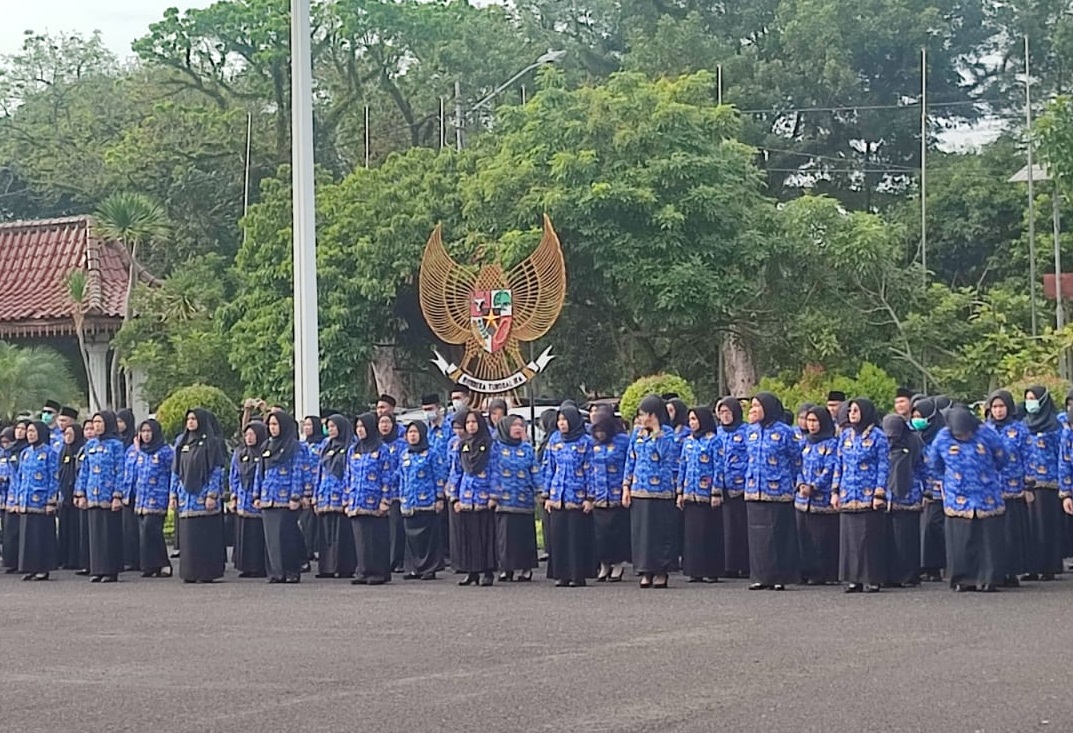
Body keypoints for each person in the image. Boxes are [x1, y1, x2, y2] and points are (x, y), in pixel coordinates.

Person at [928, 406, 1007, 592]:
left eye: (966, 434)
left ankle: (988, 578)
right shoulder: (942, 438)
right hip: (958, 497)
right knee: (961, 541)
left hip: (986, 495)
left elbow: (1001, 459)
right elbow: (935, 464)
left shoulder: (987, 434)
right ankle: (962, 579)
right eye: (959, 435)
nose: (963, 437)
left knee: (987, 541)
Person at [744, 392, 801, 591]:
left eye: (758, 406)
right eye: (752, 406)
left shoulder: (784, 431)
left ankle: (780, 576)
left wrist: (793, 482)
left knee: (778, 535)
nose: (753, 410)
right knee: (758, 535)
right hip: (754, 488)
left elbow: (796, 460)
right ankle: (761, 576)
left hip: (779, 490)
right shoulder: (750, 431)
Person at [623, 394, 679, 589]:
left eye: (645, 414)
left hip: (661, 491)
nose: (642, 419)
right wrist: (626, 487)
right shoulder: (637, 435)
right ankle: (644, 571)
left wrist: (656, 431)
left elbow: (667, 456)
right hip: (639, 489)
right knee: (642, 533)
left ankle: (661, 572)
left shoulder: (668, 434)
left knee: (659, 533)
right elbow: (631, 460)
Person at [834, 398, 889, 594]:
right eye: (850, 411)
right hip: (848, 493)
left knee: (869, 539)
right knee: (850, 539)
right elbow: (838, 463)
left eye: (856, 410)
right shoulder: (845, 435)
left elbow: (883, 466)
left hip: (868, 494)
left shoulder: (878, 436)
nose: (852, 414)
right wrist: (835, 491)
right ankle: (853, 578)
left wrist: (879, 493)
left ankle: (872, 578)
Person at [541, 404, 595, 587]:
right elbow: (549, 467)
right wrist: (547, 494)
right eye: (560, 420)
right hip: (558, 495)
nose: (562, 424)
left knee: (576, 537)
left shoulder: (585, 442)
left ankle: (577, 574)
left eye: (565, 420)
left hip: (577, 496)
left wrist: (590, 497)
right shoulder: (554, 440)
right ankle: (561, 574)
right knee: (559, 536)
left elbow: (591, 470)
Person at [171, 409, 226, 583]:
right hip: (186, 497)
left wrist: (212, 494)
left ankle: (206, 573)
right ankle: (189, 572)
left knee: (204, 537)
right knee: (187, 537)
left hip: (204, 497)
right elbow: (176, 470)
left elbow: (216, 470)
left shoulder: (211, 443)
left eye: (194, 419)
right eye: (188, 419)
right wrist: (173, 494)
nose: (191, 422)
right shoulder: (182, 442)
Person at [256, 410, 310, 584]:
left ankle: (291, 570)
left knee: (286, 536)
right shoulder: (266, 446)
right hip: (268, 497)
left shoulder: (295, 446)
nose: (272, 428)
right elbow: (260, 472)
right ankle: (275, 572)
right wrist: (256, 494)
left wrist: (296, 496)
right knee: (271, 537)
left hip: (286, 498)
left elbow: (298, 471)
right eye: (270, 425)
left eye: (275, 424)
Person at [448, 409, 498, 587]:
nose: (471, 426)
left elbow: (495, 470)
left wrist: (494, 495)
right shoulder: (462, 445)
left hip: (484, 497)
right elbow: (456, 471)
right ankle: (471, 572)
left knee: (485, 535)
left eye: (474, 422)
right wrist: (454, 497)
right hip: (466, 497)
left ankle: (487, 572)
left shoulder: (490, 444)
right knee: (467, 536)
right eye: (468, 423)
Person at [74, 411, 125, 583]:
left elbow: (120, 470)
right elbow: (84, 470)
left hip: (108, 496)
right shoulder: (90, 445)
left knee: (108, 534)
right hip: (92, 494)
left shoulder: (116, 445)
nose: (96, 426)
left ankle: (110, 570)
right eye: (94, 422)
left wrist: (118, 495)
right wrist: (80, 493)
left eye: (100, 422)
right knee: (94, 534)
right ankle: (97, 569)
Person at [989, 390, 1032, 587]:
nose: (998, 411)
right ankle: (996, 570)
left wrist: (1028, 485)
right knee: (994, 534)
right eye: (995, 407)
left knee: (1012, 532)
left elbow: (1029, 457)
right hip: (991, 491)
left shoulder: (1020, 430)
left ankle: (1012, 571)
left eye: (1001, 406)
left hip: (1014, 489)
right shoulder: (986, 430)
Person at [345, 412, 393, 585]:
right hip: (357, 501)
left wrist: (385, 500)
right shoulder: (353, 449)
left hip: (375, 501)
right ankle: (363, 571)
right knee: (360, 539)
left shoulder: (381, 449)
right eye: (357, 427)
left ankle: (378, 572)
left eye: (363, 427)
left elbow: (387, 475)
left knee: (375, 538)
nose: (360, 430)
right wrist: (346, 498)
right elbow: (348, 475)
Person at [677, 406, 725, 583]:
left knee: (708, 533)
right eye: (690, 420)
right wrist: (680, 492)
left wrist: (716, 492)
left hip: (707, 494)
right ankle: (694, 570)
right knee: (692, 534)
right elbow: (683, 465)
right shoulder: (688, 441)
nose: (692, 423)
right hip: (690, 492)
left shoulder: (714, 441)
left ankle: (710, 570)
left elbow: (719, 467)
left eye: (695, 419)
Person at [1022, 385, 1063, 581]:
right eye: (1028, 398)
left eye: (1034, 398)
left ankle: (1049, 566)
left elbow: (1062, 455)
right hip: (1029, 483)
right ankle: (1032, 567)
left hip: (1050, 484)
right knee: (1030, 527)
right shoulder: (1023, 424)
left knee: (1048, 526)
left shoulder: (1056, 426)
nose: (1030, 402)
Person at [795, 406, 840, 585]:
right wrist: (801, 484)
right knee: (804, 537)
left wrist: (814, 486)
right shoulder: (804, 442)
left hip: (822, 498)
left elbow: (831, 468)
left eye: (815, 421)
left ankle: (826, 573)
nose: (811, 425)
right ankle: (807, 571)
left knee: (822, 538)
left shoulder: (831, 444)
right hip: (802, 498)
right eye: (809, 421)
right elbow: (796, 464)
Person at [492, 414, 540, 582]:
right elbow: (492, 471)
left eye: (521, 425)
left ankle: (526, 569)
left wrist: (540, 491)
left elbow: (534, 470)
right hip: (503, 499)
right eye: (514, 425)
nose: (518, 428)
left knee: (524, 535)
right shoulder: (496, 448)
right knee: (505, 537)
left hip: (524, 498)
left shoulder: (526, 448)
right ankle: (506, 569)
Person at [398, 421, 446, 580]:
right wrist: (402, 498)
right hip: (409, 502)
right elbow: (402, 478)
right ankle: (414, 568)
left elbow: (439, 476)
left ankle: (429, 568)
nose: (412, 435)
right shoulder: (405, 454)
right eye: (409, 432)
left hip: (428, 502)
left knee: (428, 537)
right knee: (411, 538)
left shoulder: (432, 454)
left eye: (415, 432)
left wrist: (439, 498)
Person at [12, 421, 59, 581]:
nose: (30, 434)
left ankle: (42, 568)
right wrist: (17, 501)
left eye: (33, 431)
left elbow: (54, 477)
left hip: (41, 501)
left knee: (40, 536)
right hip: (26, 500)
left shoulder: (50, 453)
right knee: (27, 538)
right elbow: (19, 477)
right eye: (28, 431)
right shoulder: (25, 453)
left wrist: (51, 501)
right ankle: (29, 568)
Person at [882, 414, 924, 588]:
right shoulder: (883, 445)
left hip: (909, 496)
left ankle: (910, 575)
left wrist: (924, 490)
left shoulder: (914, 442)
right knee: (889, 539)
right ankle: (890, 575)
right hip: (887, 497)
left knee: (907, 539)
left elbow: (922, 466)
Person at [314, 415, 357, 579]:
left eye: (333, 426)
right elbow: (319, 469)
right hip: (325, 494)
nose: (330, 430)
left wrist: (347, 494)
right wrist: (316, 494)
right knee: (326, 532)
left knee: (342, 532)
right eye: (328, 427)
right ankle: (327, 567)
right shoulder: (326, 444)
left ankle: (343, 567)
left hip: (341, 493)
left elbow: (350, 471)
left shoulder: (350, 444)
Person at [590, 409, 630, 582]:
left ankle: (618, 565)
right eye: (596, 430)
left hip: (617, 494)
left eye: (602, 430)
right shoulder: (591, 444)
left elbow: (629, 464)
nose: (599, 434)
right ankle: (604, 565)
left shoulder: (623, 441)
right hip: (598, 495)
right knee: (601, 535)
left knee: (617, 533)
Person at [131, 419, 173, 578]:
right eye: (143, 432)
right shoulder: (140, 451)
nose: (146, 435)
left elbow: (172, 473)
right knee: (144, 532)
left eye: (149, 431)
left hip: (158, 497)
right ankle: (150, 566)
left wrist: (172, 495)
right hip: (142, 497)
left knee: (152, 529)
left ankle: (163, 563)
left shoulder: (165, 451)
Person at [912, 397, 946, 582]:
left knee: (934, 525)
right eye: (914, 416)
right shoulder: (915, 438)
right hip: (921, 490)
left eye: (921, 416)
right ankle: (926, 566)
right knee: (924, 528)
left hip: (941, 490)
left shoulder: (942, 437)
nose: (917, 420)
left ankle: (938, 565)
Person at [716, 397, 750, 578]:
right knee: (725, 527)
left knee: (741, 526)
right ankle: (728, 564)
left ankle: (744, 564)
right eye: (721, 413)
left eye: (727, 412)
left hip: (742, 485)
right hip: (722, 485)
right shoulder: (717, 432)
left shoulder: (746, 431)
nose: (724, 416)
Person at [230, 422, 268, 578]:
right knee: (243, 532)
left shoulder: (264, 453)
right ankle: (245, 566)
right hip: (242, 498)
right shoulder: (240, 453)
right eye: (246, 435)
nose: (249, 438)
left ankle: (259, 566)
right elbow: (234, 475)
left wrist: (258, 494)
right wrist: (234, 496)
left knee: (256, 533)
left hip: (257, 499)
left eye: (252, 434)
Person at [378, 412, 406, 575]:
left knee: (396, 528)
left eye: (387, 422)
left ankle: (397, 560)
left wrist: (389, 477)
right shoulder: (375, 444)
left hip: (395, 492)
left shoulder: (400, 444)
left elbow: (401, 467)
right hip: (378, 493)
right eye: (381, 423)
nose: (384, 426)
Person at [56, 423, 85, 570]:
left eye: (70, 434)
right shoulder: (64, 450)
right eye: (65, 434)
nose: (67, 437)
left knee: (76, 529)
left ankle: (76, 560)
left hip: (77, 495)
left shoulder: (81, 449)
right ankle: (64, 559)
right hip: (64, 495)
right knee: (64, 528)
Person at [2, 420, 29, 573]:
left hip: (25, 494)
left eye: (23, 429)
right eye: (17, 428)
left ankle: (22, 563)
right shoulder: (11, 450)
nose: (19, 431)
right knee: (9, 530)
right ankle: (11, 562)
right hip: (10, 494)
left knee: (22, 531)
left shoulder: (27, 451)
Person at [116, 408, 141, 573]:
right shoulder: (117, 441)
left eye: (121, 421)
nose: (119, 425)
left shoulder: (135, 442)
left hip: (136, 490)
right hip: (122, 490)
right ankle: (125, 559)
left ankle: (136, 559)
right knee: (124, 527)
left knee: (134, 527)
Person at [299, 414, 325, 568]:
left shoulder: (323, 444)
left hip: (319, 489)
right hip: (304, 489)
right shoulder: (302, 445)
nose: (307, 428)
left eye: (309, 425)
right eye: (305, 425)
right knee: (305, 523)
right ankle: (307, 551)